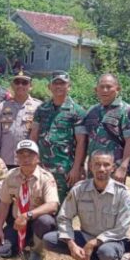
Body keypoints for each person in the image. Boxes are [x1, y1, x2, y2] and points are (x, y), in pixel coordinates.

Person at [42, 151, 130, 260]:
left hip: (112, 241)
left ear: (113, 168)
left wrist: (93, 244)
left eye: (106, 165)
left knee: (107, 253)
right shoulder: (79, 189)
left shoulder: (123, 193)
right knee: (49, 240)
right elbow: (64, 217)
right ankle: (91, 259)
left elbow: (121, 228)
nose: (101, 169)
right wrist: (71, 244)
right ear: (90, 167)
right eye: (97, 164)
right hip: (86, 236)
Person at [0, 140, 59, 260]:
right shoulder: (11, 175)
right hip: (17, 224)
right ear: (17, 158)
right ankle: (22, 244)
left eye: (30, 155)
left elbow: (52, 205)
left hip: (36, 222)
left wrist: (27, 215)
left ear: (37, 158)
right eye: (21, 155)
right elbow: (4, 203)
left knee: (46, 221)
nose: (25, 159)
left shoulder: (46, 177)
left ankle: (37, 251)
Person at [30, 70, 87, 202]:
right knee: (41, 202)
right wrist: (34, 162)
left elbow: (81, 142)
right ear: (49, 87)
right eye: (55, 83)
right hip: (43, 166)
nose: (58, 87)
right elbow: (34, 136)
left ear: (69, 86)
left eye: (62, 83)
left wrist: (76, 168)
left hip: (65, 169)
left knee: (63, 207)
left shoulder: (77, 111)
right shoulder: (41, 109)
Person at [82, 74, 130, 183]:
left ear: (118, 89)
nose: (105, 90)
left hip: (114, 169)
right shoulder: (91, 111)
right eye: (101, 87)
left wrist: (123, 167)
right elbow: (84, 141)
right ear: (96, 89)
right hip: (93, 169)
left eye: (109, 87)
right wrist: (81, 165)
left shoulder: (126, 110)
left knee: (113, 198)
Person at [0, 72, 42, 168]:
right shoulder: (2, 107)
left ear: (31, 86)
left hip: (28, 162)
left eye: (24, 83)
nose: (20, 85)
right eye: (17, 82)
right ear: (12, 85)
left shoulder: (39, 108)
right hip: (5, 161)